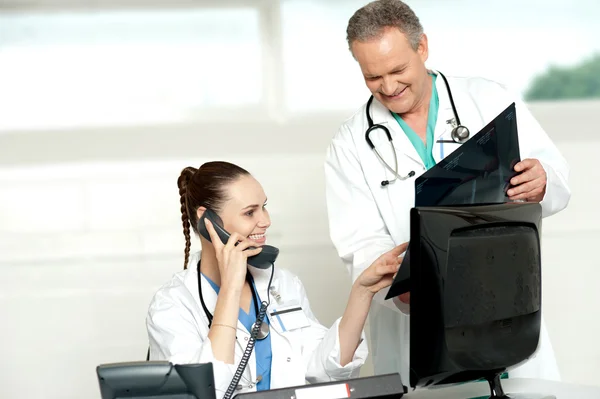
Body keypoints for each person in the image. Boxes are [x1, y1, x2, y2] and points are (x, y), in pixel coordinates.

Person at [324, 0, 570, 386]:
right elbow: (359, 244)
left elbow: (557, 182)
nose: (388, 87)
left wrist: (543, 182)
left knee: (516, 387)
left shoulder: (486, 99)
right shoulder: (350, 143)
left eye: (397, 70)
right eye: (373, 77)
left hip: (504, 295)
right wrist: (403, 290)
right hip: (418, 320)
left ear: (422, 47)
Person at [146, 161, 406, 399]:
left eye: (264, 207)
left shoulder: (282, 283)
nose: (266, 221)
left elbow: (325, 371)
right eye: (250, 213)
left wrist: (362, 292)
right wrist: (230, 289)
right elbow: (205, 393)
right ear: (207, 221)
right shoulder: (172, 305)